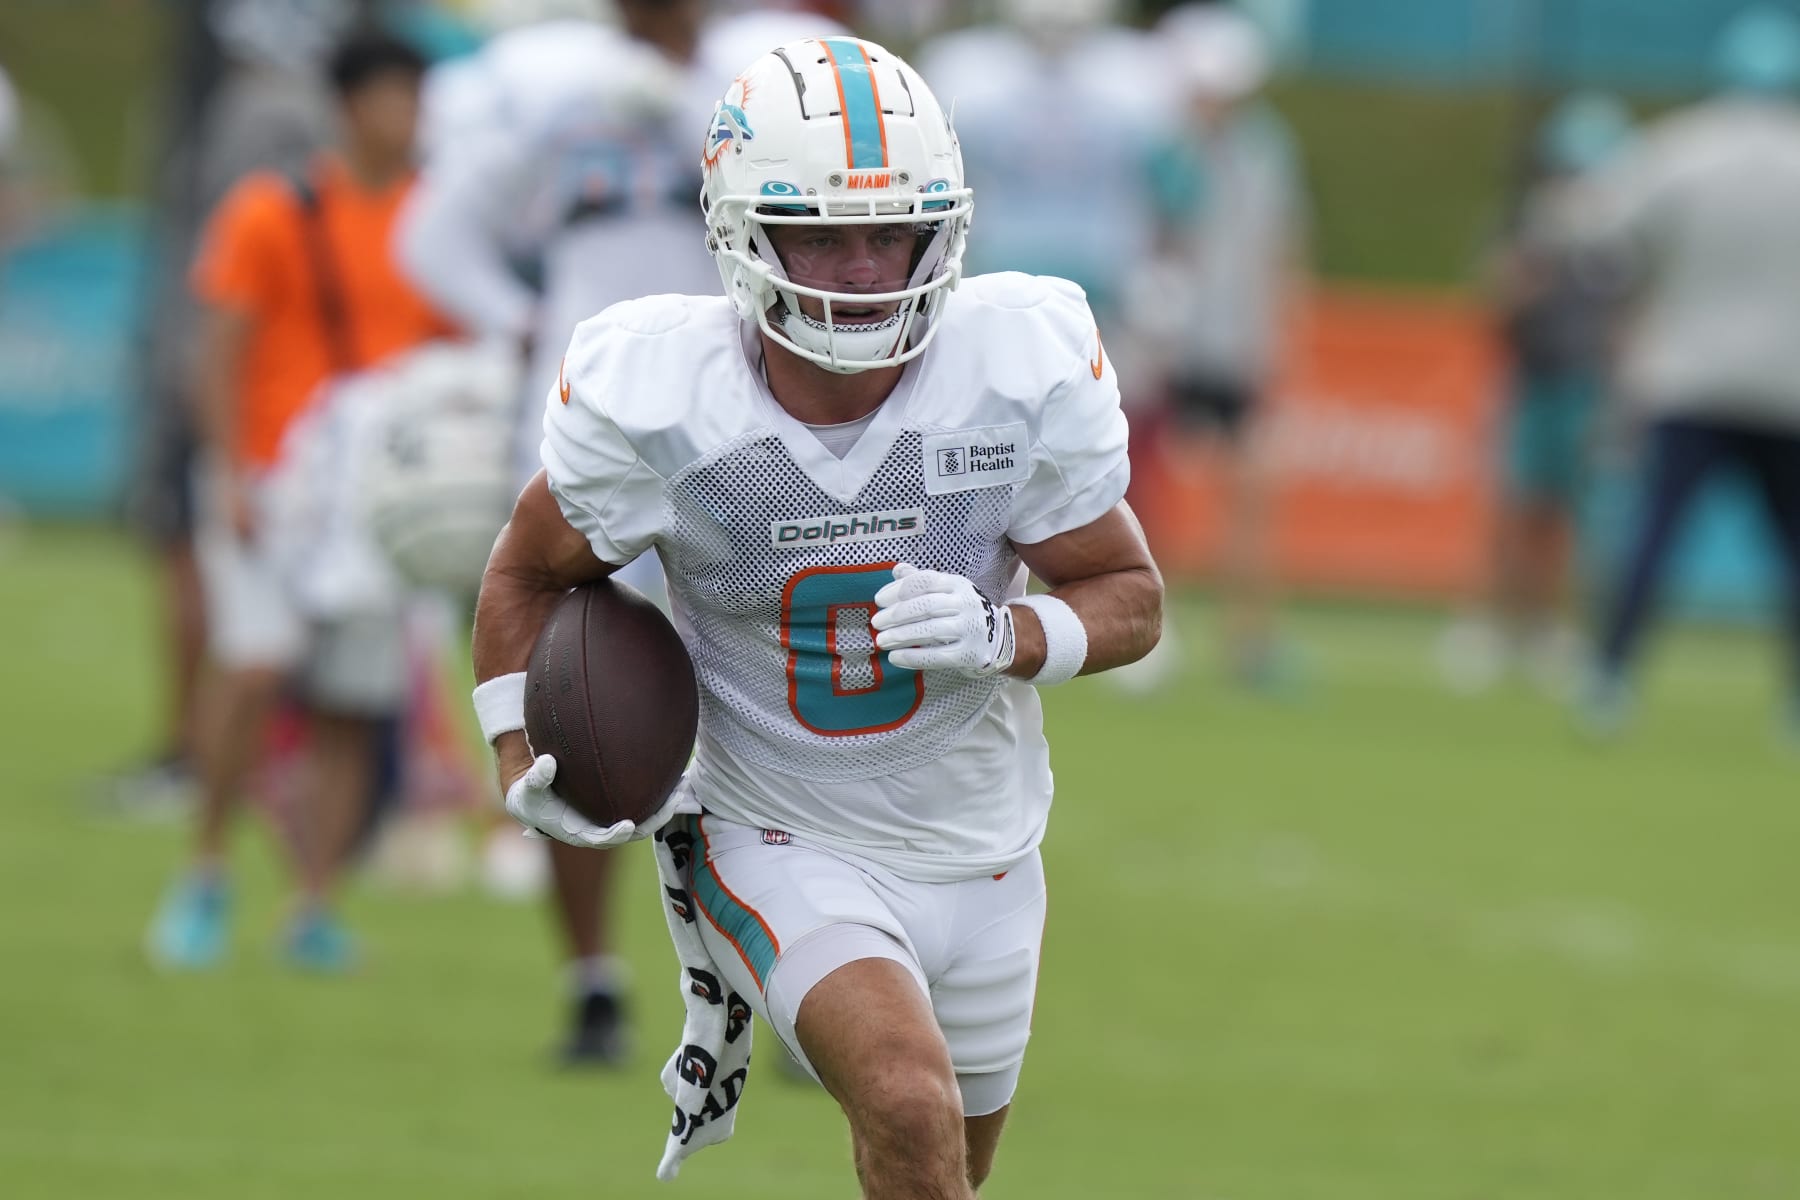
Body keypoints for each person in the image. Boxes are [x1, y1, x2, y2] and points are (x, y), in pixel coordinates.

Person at [469, 37, 1161, 1195]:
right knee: (905, 1097)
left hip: (984, 846)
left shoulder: (1013, 364)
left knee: (931, 1164)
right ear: (745, 235)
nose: (860, 269)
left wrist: (1011, 637)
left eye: (889, 231)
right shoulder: (665, 399)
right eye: (822, 235)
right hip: (772, 827)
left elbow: (1132, 597)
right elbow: (525, 576)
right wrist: (516, 759)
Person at [399, 0, 849, 1065]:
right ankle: (591, 979)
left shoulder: (755, 80)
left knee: (776, 697)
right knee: (577, 700)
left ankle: (802, 969)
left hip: (733, 419)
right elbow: (433, 234)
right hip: (586, 416)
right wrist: (520, 324)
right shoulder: (552, 86)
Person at [146, 30, 458, 971]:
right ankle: (205, 873)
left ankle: (313, 900)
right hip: (272, 478)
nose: (405, 116)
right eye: (390, 96)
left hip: (375, 495)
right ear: (349, 105)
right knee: (252, 666)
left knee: (352, 702)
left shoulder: (435, 218)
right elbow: (222, 346)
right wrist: (231, 470)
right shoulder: (271, 211)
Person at [115, 0, 347, 817]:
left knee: (208, 563)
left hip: (253, 383)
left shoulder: (261, 108)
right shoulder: (293, 102)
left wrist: (197, 371)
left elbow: (237, 271)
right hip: (272, 380)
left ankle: (208, 758)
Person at [1578, 3, 1800, 740]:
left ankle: (1609, 679)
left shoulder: (1682, 147)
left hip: (1689, 374)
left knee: (1655, 532)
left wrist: (1634, 296)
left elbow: (1602, 237)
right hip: (1786, 385)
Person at [1128, 3, 1307, 690]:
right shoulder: (1160, 149)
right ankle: (1147, 629)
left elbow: (1282, 244)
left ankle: (1251, 642)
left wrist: (1283, 330)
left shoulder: (1267, 149)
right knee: (1145, 492)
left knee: (1253, 492)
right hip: (1166, 344)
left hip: (1239, 347)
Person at [1437, 92, 1633, 696]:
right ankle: (1494, 624)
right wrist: (1535, 262)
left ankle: (1550, 627)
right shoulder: (1529, 225)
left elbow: (1625, 317)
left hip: (1586, 385)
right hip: (1529, 379)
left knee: (1568, 512)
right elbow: (1495, 298)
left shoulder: (1622, 234)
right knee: (1514, 506)